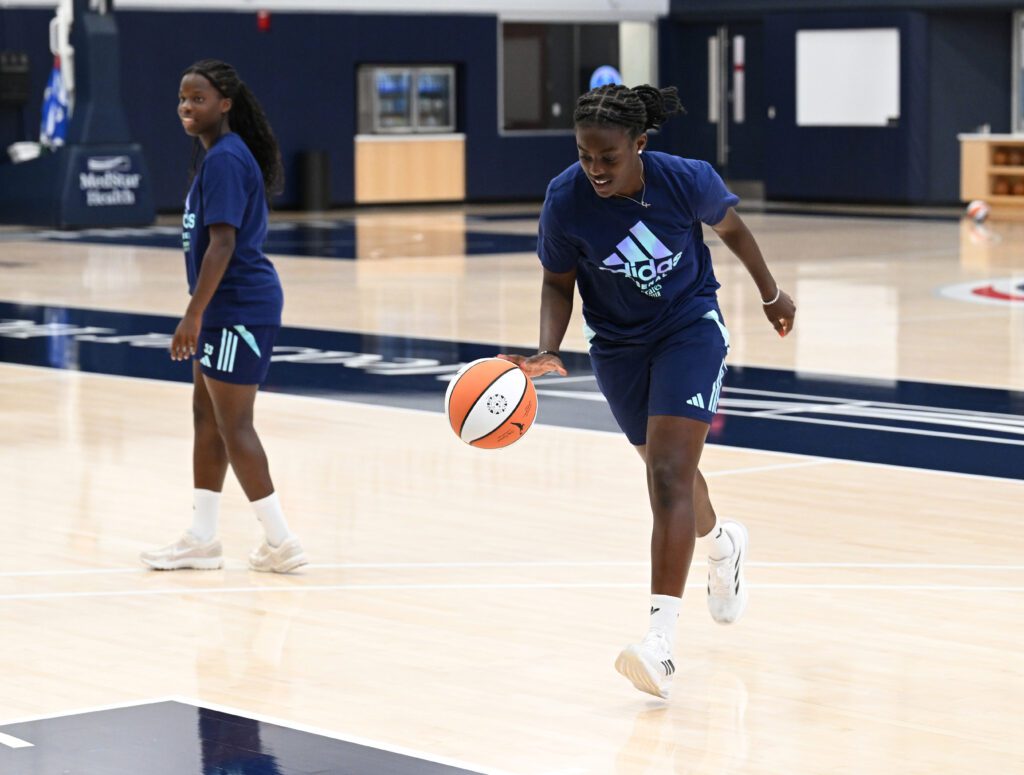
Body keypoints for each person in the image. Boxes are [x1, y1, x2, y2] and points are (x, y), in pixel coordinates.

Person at [499, 84, 795, 699]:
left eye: (607, 156)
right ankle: (722, 544)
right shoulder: (565, 200)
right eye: (584, 155)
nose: (595, 169)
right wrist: (549, 347)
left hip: (689, 327)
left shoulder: (685, 179)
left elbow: (733, 231)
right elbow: (558, 283)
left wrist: (771, 294)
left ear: (638, 144)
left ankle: (659, 644)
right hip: (616, 346)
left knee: (666, 473)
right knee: (675, 479)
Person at [140, 60, 307, 574]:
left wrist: (193, 315)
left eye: (199, 98)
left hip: (236, 308)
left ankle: (281, 542)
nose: (187, 107)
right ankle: (202, 537)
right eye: (182, 99)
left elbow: (223, 243)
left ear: (225, 104)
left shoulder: (228, 160)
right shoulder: (217, 157)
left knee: (235, 424)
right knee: (205, 417)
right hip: (223, 307)